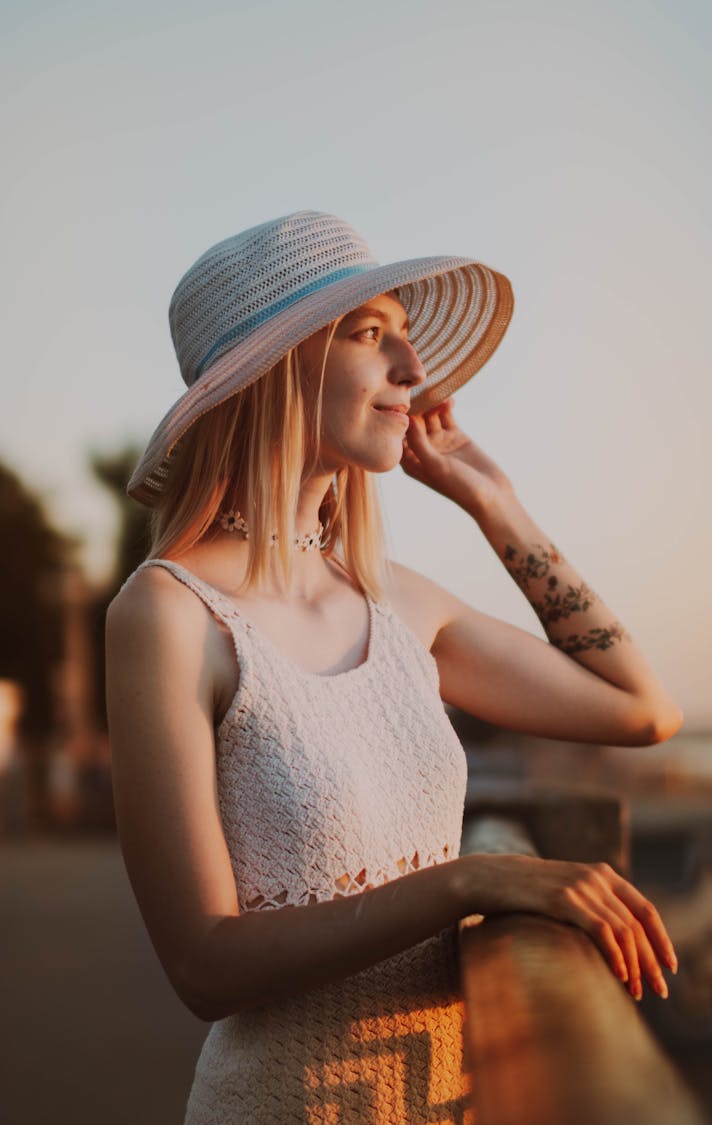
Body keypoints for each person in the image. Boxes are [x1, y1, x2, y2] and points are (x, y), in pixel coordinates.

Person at [106, 210, 682, 1124]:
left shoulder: (399, 603)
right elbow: (204, 966)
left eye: (406, 339)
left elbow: (641, 709)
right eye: (372, 336)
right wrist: (470, 879)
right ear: (272, 370)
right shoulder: (168, 614)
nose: (414, 375)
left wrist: (497, 505)